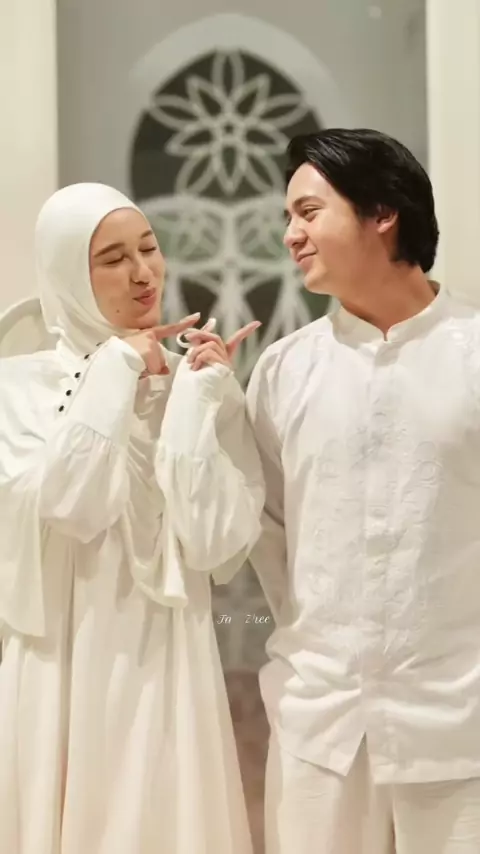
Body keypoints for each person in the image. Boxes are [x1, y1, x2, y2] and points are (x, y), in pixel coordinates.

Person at [0, 182, 265, 854]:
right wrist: (118, 365)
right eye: (113, 258)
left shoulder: (193, 381)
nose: (143, 273)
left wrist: (196, 404)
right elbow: (73, 504)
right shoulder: (18, 387)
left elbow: (215, 544)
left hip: (171, 660)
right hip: (66, 662)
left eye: (149, 248)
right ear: (67, 271)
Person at [246, 128, 480, 854]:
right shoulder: (284, 371)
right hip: (321, 722)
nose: (291, 234)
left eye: (309, 212)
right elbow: (271, 534)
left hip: (461, 724)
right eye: (288, 216)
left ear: (382, 212)